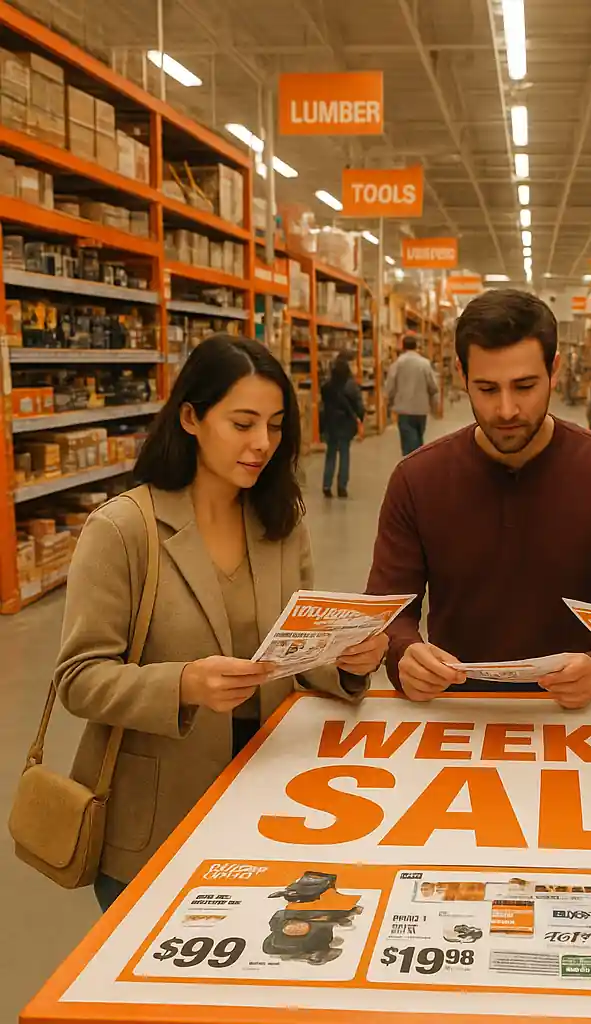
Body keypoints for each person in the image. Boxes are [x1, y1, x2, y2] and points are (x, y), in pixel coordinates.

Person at [54, 334, 387, 912]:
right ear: (191, 418)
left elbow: (293, 651)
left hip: (271, 796)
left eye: (275, 426)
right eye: (242, 423)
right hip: (158, 818)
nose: (262, 443)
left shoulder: (280, 521)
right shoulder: (124, 530)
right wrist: (184, 684)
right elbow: (79, 678)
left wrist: (346, 660)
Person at [366, 288, 591, 708]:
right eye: (487, 388)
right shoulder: (416, 480)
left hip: (582, 713)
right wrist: (404, 654)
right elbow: (389, 609)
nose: (506, 410)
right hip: (456, 711)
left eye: (524, 386)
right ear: (461, 374)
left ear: (554, 370)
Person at [385, 333, 439, 456]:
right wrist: (434, 403)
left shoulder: (397, 364)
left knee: (408, 443)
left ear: (403, 347)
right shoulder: (425, 363)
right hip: (421, 409)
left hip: (403, 409)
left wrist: (389, 400)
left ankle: (412, 464)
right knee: (419, 439)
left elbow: (390, 386)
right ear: (416, 346)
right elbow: (433, 386)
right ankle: (419, 461)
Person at [320, 354, 365, 498]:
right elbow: (359, 405)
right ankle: (342, 487)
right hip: (346, 423)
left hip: (331, 424)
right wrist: (360, 418)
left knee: (331, 454)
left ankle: (326, 485)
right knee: (345, 454)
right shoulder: (351, 386)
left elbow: (324, 405)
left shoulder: (326, 386)